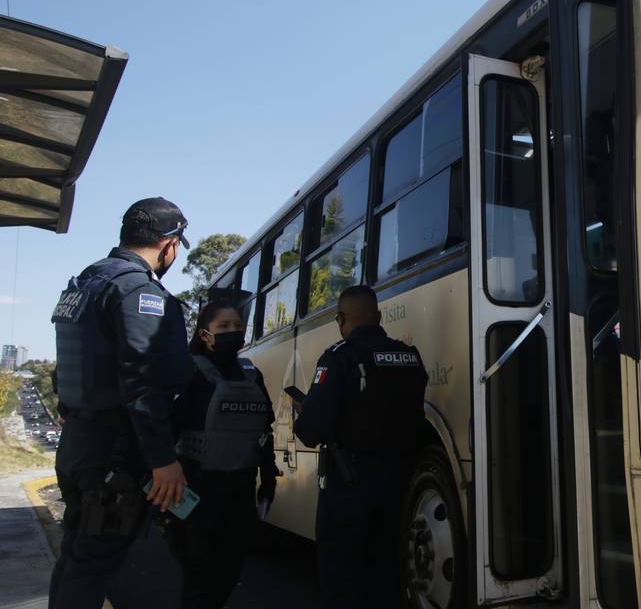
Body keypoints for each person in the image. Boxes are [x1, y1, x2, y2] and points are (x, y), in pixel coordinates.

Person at [49, 197, 196, 609]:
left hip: (80, 443)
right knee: (94, 565)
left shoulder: (84, 284)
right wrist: (162, 458)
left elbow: (68, 371)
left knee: (78, 558)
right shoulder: (137, 291)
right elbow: (141, 380)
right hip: (115, 450)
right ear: (169, 244)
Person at [294, 285, 428, 608]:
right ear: (379, 316)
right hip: (398, 481)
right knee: (387, 574)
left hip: (348, 485)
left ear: (340, 319)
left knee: (342, 577)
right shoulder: (409, 357)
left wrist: (306, 411)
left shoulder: (338, 358)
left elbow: (312, 430)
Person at [164, 300, 279, 609]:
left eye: (237, 327)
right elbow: (164, 430)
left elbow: (264, 432)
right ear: (205, 334)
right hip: (197, 492)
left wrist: (268, 479)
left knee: (228, 573)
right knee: (201, 578)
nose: (233, 332)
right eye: (224, 327)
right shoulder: (189, 372)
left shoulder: (251, 375)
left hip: (239, 491)